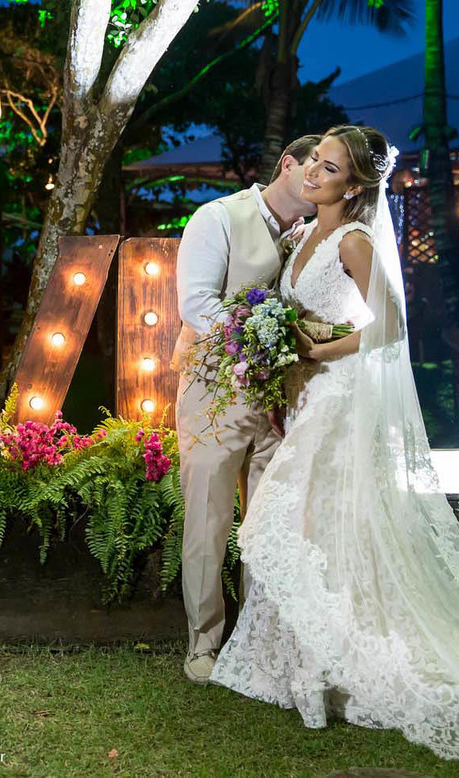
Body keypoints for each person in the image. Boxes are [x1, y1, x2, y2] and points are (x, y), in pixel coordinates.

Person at [210, 125, 459, 778]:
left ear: (355, 185)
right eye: (314, 163)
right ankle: (300, 665)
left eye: (329, 168)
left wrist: (314, 353)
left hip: (340, 396)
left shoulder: (353, 240)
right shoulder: (303, 237)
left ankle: (333, 666)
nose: (314, 173)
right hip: (305, 394)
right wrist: (276, 358)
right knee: (313, 526)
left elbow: (391, 324)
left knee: (288, 517)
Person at [173, 135, 320, 685]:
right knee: (209, 519)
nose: (320, 181)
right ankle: (203, 642)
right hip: (215, 393)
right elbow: (196, 303)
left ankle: (260, 641)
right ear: (287, 163)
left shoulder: (312, 234)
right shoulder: (218, 217)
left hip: (280, 400)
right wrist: (260, 346)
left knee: (269, 520)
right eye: (313, 169)